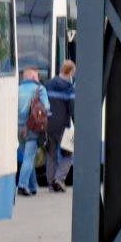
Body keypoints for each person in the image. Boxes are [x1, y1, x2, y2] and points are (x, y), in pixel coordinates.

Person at [16, 66, 50, 196]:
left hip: (18, 128)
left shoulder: (17, 89)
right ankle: (22, 185)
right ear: (33, 77)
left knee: (27, 156)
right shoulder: (40, 89)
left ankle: (33, 185)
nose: (38, 77)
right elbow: (46, 107)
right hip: (32, 127)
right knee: (29, 158)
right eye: (36, 75)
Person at [44, 60, 76, 193]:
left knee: (51, 154)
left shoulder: (48, 84)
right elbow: (73, 109)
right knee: (69, 153)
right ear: (70, 72)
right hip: (64, 126)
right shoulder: (70, 88)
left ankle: (51, 183)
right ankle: (59, 178)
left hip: (48, 125)